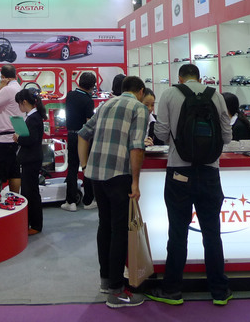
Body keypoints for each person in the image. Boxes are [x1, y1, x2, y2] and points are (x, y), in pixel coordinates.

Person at [150, 63, 233, 307]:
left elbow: (161, 134)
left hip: (179, 171)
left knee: (177, 232)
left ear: (180, 78)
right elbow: (227, 136)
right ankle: (219, 291)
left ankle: (172, 290)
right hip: (210, 172)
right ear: (199, 77)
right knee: (212, 232)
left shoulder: (169, 94)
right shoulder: (216, 95)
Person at [78, 75, 149, 309]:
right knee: (119, 231)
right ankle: (116, 292)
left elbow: (82, 134)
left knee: (105, 226)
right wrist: (135, 181)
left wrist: (85, 165)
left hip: (96, 174)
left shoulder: (105, 104)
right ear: (140, 91)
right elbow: (137, 146)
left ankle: (106, 280)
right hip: (119, 175)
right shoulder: (138, 108)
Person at [61, 71, 97, 211]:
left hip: (71, 135)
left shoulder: (70, 95)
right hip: (83, 137)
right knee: (86, 166)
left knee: (72, 168)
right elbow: (89, 124)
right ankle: (88, 201)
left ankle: (70, 202)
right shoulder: (88, 101)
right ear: (92, 86)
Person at [0, 64, 23, 192]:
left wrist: (0, 87)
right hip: (15, 136)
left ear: (2, 76)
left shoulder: (6, 90)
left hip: (3, 139)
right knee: (14, 171)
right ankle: (15, 197)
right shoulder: (19, 88)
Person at [13, 88, 46, 235]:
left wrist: (18, 138)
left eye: (19, 104)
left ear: (24, 102)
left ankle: (36, 225)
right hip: (31, 158)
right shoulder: (34, 116)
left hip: (31, 159)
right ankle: (32, 223)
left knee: (31, 192)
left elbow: (32, 139)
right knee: (29, 191)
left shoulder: (33, 118)